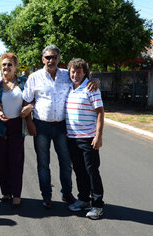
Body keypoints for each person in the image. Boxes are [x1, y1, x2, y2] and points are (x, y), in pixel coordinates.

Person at [22, 45, 99, 209]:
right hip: (41, 126)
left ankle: (67, 193)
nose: (51, 60)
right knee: (43, 163)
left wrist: (95, 81)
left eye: (54, 57)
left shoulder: (67, 75)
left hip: (62, 127)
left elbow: (84, 80)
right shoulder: (34, 77)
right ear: (43, 59)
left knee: (66, 162)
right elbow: (26, 101)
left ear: (59, 58)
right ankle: (46, 196)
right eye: (48, 57)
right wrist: (29, 122)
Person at [0, 53, 30, 208]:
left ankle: (16, 194)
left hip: (17, 125)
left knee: (16, 160)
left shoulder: (24, 83)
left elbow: (34, 99)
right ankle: (6, 192)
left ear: (15, 66)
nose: (6, 67)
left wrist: (29, 107)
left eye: (10, 64)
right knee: (1, 160)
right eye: (4, 64)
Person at [65, 58, 105, 220]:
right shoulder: (69, 88)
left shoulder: (91, 88)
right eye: (73, 71)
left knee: (92, 171)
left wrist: (98, 136)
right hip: (72, 138)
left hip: (88, 138)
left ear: (85, 73)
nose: (75, 74)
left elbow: (101, 112)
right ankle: (83, 199)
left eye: (79, 72)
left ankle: (97, 205)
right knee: (79, 170)